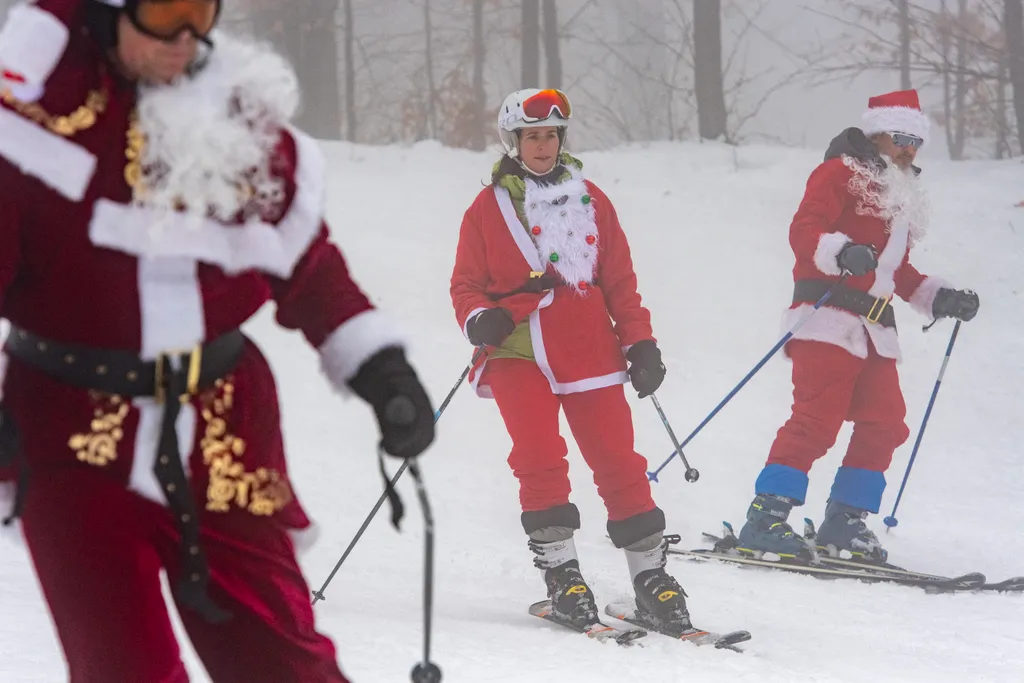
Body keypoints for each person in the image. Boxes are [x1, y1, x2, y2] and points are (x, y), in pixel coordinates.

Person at [0, 1, 435, 681]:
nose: (185, 40)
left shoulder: (233, 120)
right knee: (122, 666)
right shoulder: (28, 124)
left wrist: (381, 369)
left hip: (225, 425)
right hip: (71, 438)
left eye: (200, 13)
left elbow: (306, 264)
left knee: (284, 660)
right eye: (165, 14)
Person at [449, 88, 694, 637]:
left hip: (590, 352)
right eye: (533, 136)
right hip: (517, 351)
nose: (543, 145)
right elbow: (465, 283)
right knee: (539, 457)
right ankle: (564, 578)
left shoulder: (592, 200)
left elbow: (621, 282)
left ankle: (651, 581)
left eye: (552, 135)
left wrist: (641, 344)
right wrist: (477, 318)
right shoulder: (487, 208)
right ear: (514, 141)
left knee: (618, 461)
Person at [736, 89, 980, 564]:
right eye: (900, 137)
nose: (909, 149)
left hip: (873, 331)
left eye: (916, 141)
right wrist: (840, 250)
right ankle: (765, 519)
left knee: (886, 423)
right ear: (877, 134)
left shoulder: (896, 195)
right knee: (815, 423)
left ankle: (844, 522)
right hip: (826, 319)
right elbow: (804, 230)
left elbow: (896, 273)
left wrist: (939, 296)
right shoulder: (839, 173)